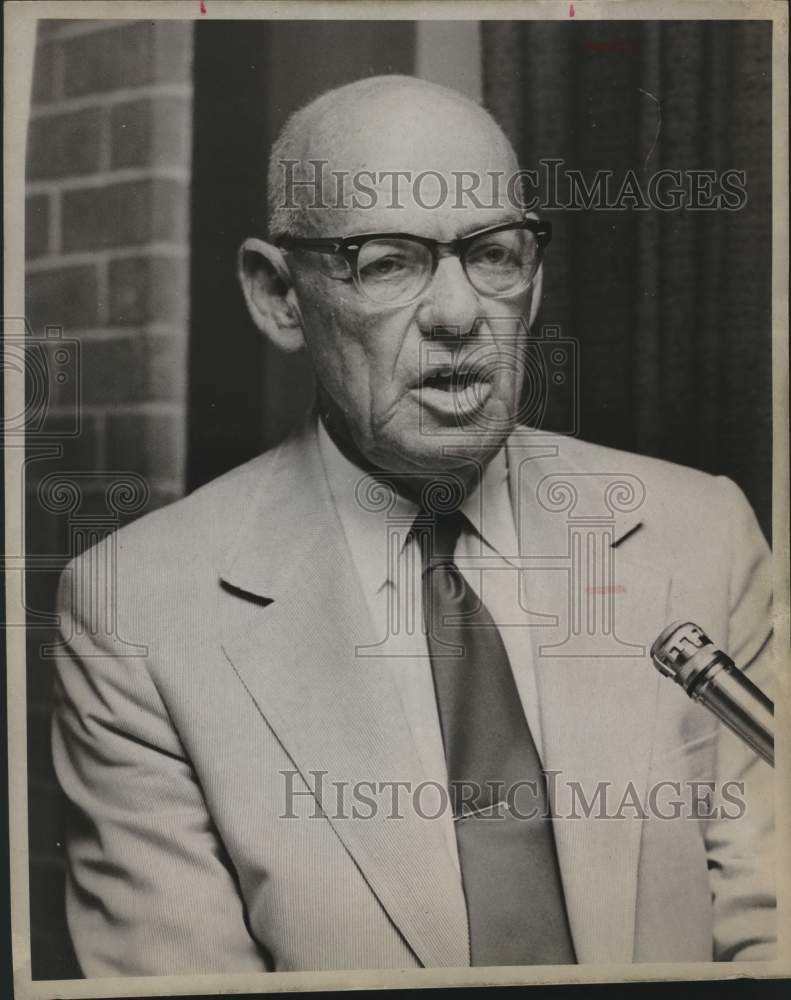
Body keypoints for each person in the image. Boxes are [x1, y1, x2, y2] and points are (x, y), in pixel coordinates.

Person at [51, 75, 775, 976]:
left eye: (493, 254)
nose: (459, 313)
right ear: (278, 294)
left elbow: (772, 925)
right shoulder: (135, 610)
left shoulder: (699, 531)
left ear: (533, 278)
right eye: (387, 261)